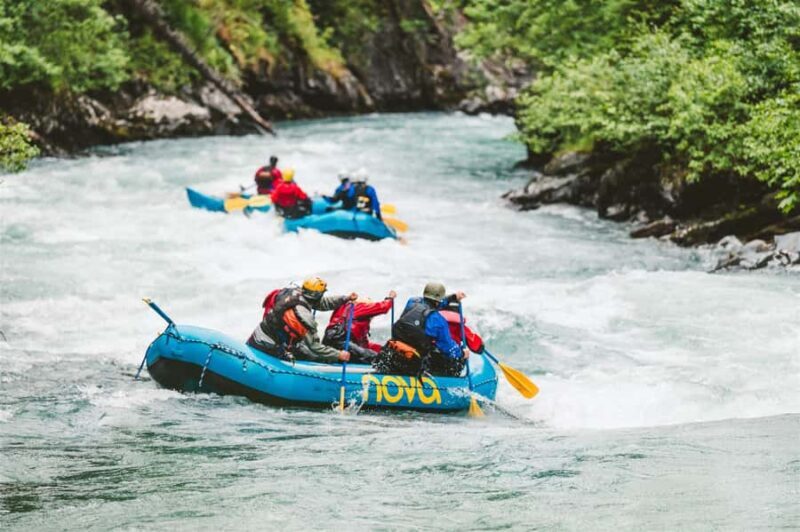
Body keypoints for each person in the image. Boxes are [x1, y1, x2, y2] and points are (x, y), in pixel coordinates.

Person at [247, 276, 358, 363]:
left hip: (259, 334)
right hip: (268, 345)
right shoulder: (304, 317)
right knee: (312, 355)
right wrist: (338, 354)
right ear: (315, 295)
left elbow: (323, 303)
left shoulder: (292, 292)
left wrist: (345, 299)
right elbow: (315, 347)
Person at [374, 282, 468, 377]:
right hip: (411, 363)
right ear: (438, 301)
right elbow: (448, 348)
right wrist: (462, 353)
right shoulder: (438, 321)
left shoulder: (412, 302)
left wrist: (453, 297)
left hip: (391, 354)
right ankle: (448, 381)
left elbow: (431, 302)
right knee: (451, 357)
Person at [322, 290, 397, 363]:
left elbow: (363, 344)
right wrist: (390, 298)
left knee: (376, 351)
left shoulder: (343, 308)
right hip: (341, 343)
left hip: (328, 342)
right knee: (374, 358)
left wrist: (383, 349)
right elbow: (384, 307)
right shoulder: (360, 307)